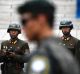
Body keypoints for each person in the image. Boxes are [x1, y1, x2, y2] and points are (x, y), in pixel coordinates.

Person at [17, 0, 79, 74]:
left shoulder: (45, 55)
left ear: (41, 19)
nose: (23, 27)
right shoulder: (57, 49)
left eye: (24, 21)